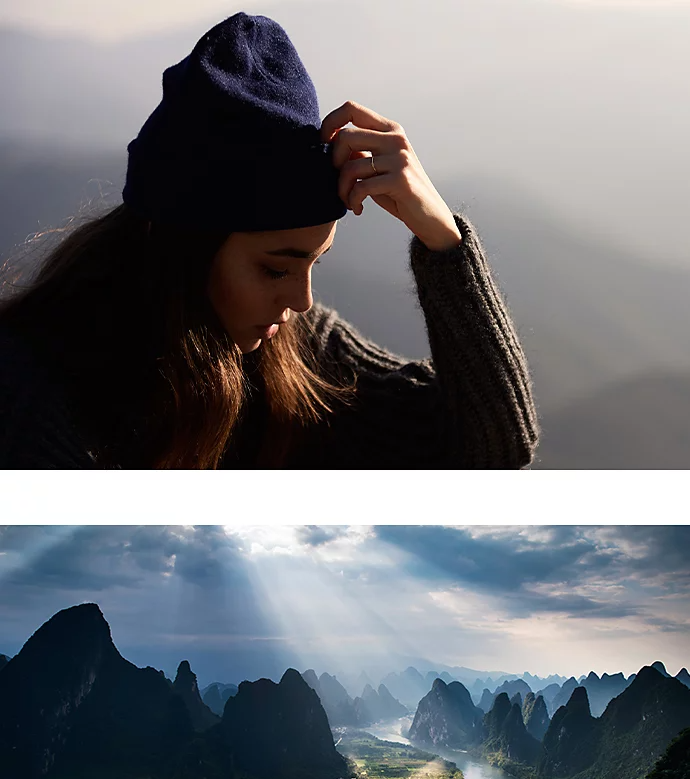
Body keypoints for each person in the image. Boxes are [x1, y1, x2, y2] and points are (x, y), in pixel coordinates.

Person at [0, 11, 538, 470]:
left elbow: (494, 448)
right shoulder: (30, 399)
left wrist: (444, 241)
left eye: (314, 264)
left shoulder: (297, 356)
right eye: (276, 268)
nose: (302, 302)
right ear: (181, 249)